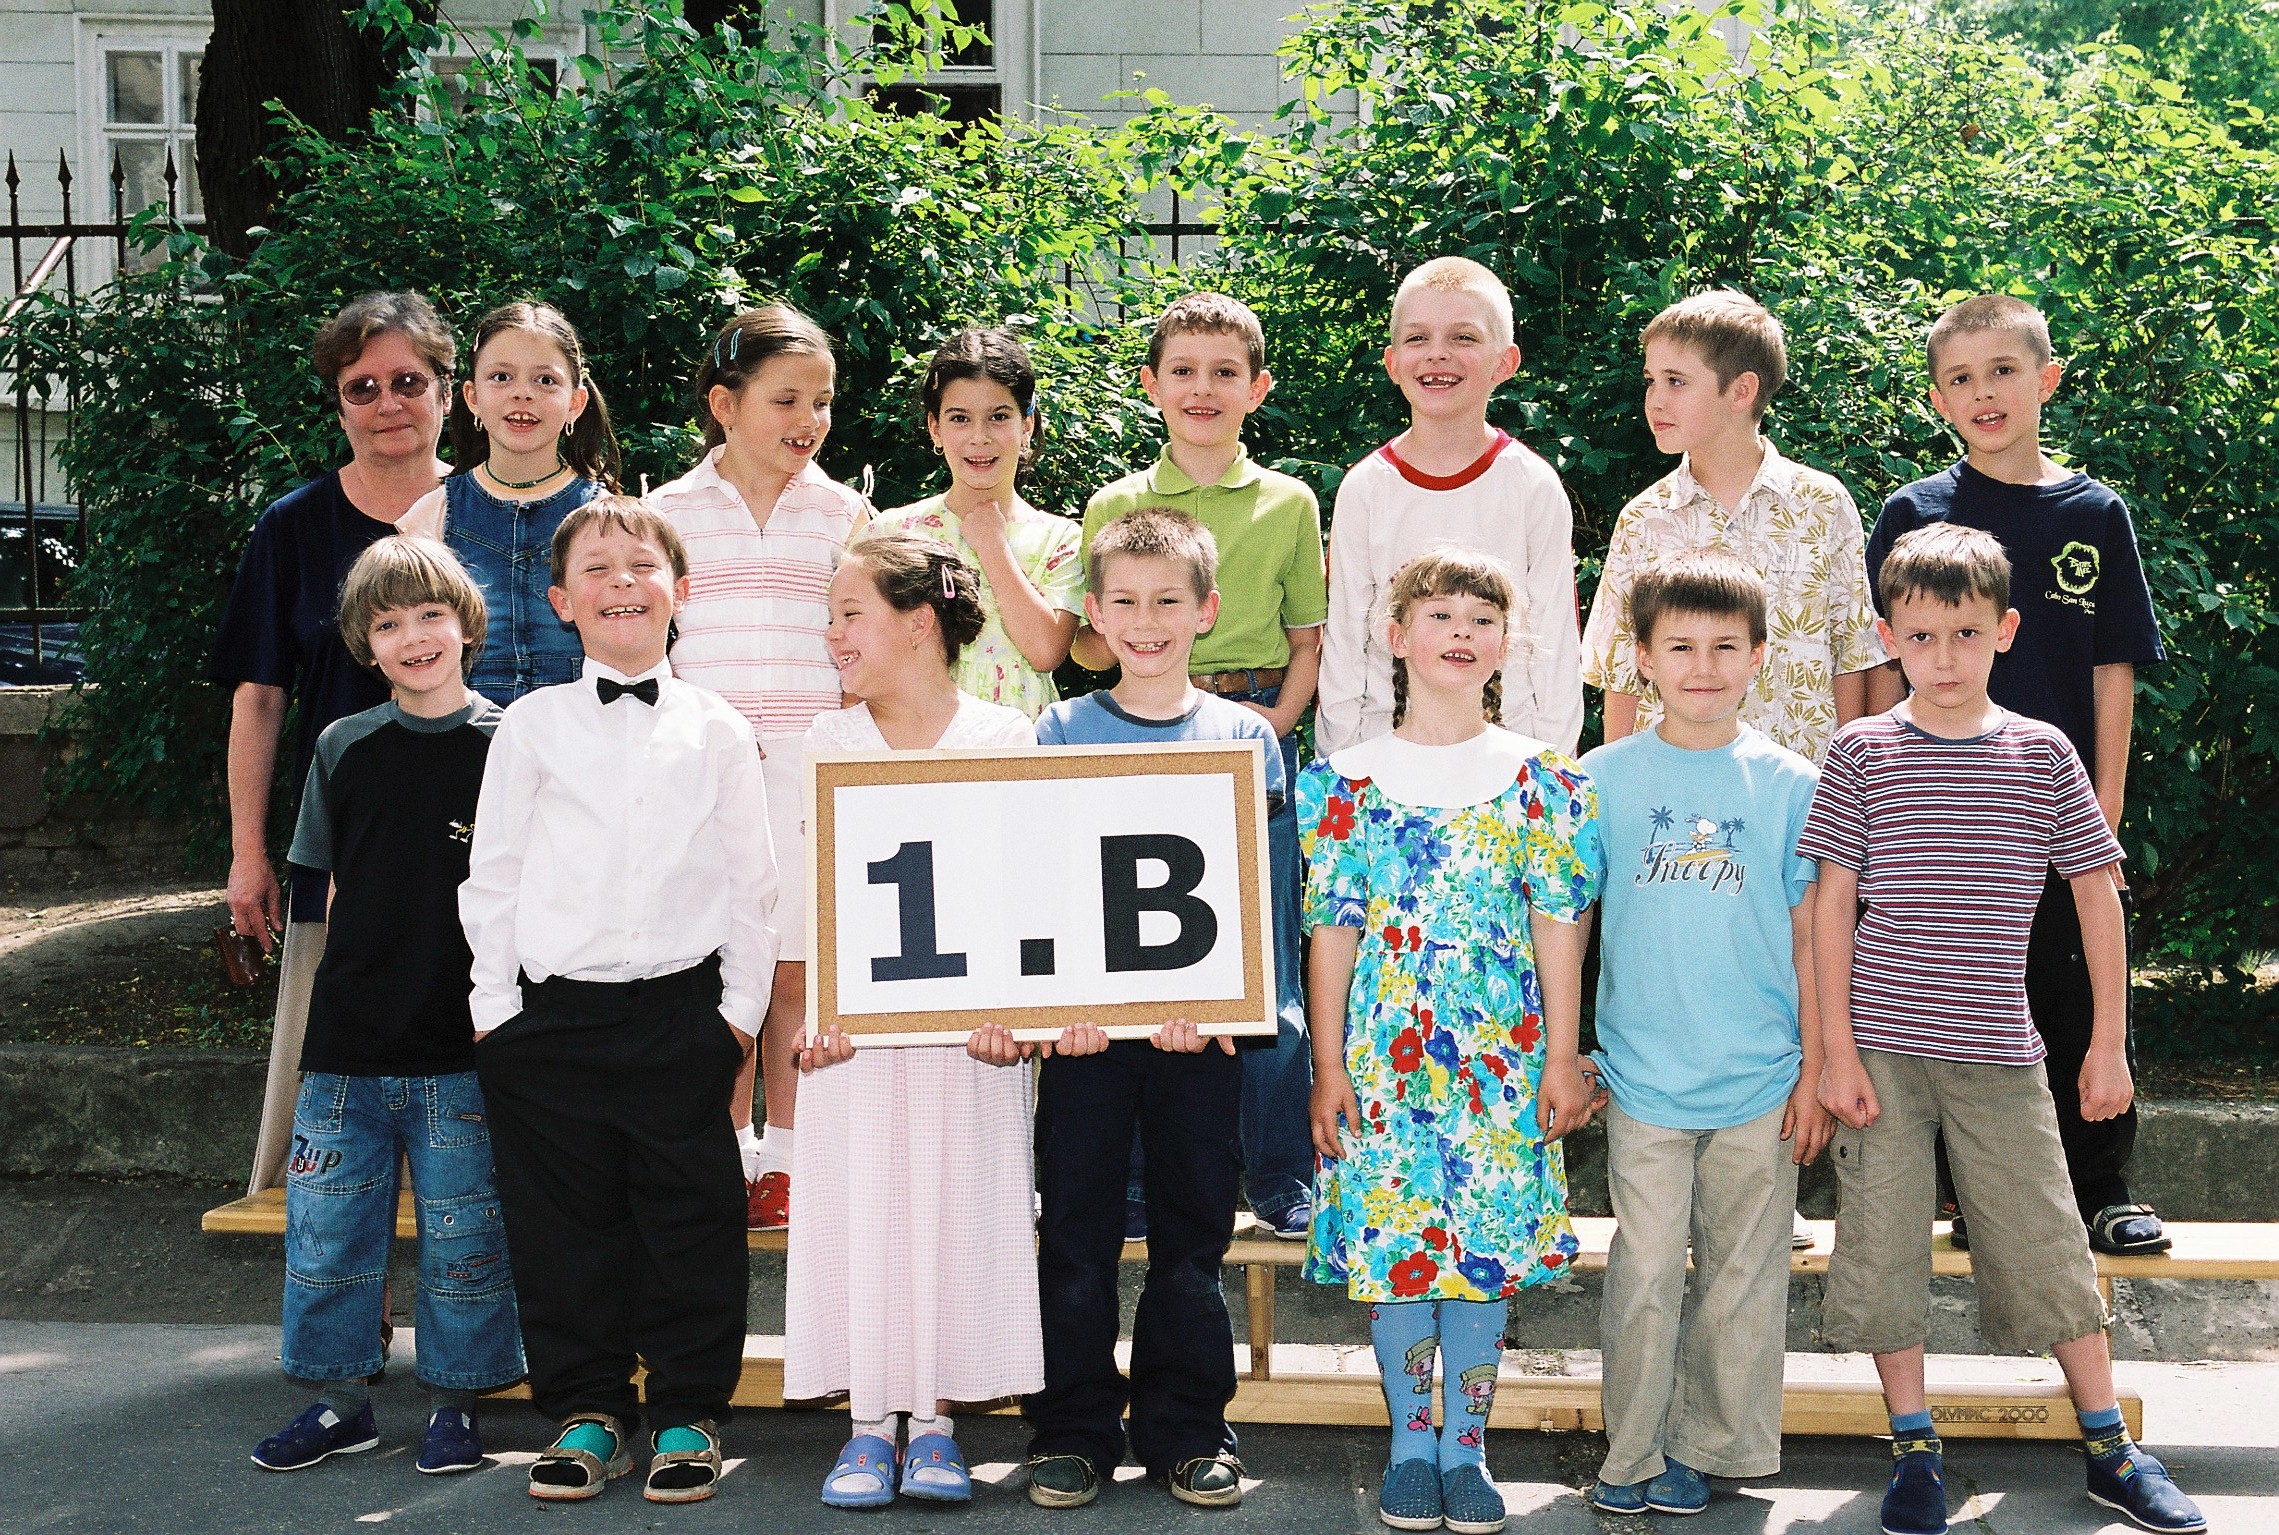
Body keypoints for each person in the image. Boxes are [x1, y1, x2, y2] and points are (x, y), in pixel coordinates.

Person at [1800, 524, 2204, 1535]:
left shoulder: (2041, 753)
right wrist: (1833, 1052)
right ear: (1888, 637)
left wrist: (2104, 1042)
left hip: (1999, 1049)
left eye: (1965, 634)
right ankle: (1913, 1447)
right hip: (1882, 1053)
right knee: (1882, 1249)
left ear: (2005, 631)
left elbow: (2096, 896)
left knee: (2046, 1243)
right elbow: (1829, 904)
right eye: (1920, 636)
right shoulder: (1859, 751)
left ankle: (2109, 1445)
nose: (1942, 657)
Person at [460, 497, 777, 1505]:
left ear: (680, 591)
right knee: (563, 1228)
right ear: (562, 602)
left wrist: (737, 1015)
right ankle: (587, 1408)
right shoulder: (531, 726)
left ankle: (689, 1408)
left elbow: (753, 884)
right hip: (548, 1021)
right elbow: (494, 873)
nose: (619, 582)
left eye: (640, 564)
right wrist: (495, 1010)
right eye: (594, 569)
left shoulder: (718, 728)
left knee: (692, 1222)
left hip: (682, 1014)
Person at [1863, 294, 2170, 1258]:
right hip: (1937, 818)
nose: (1983, 392)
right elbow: (1884, 662)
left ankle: (2102, 1182)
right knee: (1954, 998)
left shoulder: (2093, 513)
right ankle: (1968, 1192)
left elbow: (2112, 667)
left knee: (2074, 992)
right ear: (1937, 399)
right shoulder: (1915, 512)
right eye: (1960, 378)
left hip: (2052, 808)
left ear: (2045, 380)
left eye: (2002, 370)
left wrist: (2103, 807)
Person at [1301, 548, 1601, 1535]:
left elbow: (1558, 921)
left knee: (1482, 1248)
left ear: (1505, 644)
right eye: (1438, 614)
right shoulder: (1343, 781)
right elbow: (1331, 928)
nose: (1460, 631)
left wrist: (1562, 1054)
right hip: (1382, 1063)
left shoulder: (1541, 779)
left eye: (1481, 617)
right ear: (1396, 637)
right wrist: (1327, 1064)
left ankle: (1465, 1448)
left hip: (1499, 1060)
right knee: (1398, 1248)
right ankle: (1409, 1446)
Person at [1579, 286, 1885, 1253]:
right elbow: (1615, 674)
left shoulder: (1821, 505)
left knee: (1792, 972)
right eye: (1648, 381)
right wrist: (1612, 799)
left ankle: (1770, 1178)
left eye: (1675, 381)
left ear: (1742, 390)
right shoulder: (1643, 517)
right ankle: (1660, 1191)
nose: (1653, 400)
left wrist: (1856, 798)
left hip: (1790, 805)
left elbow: (1855, 660)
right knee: (1683, 971)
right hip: (1670, 811)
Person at [1022, 508, 1281, 1512]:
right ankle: (1071, 1428)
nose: (1145, 620)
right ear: (1093, 612)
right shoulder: (1059, 730)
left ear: (1205, 611)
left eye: (1167, 600)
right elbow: (1041, 879)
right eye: (1124, 601)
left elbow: (1259, 890)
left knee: (1190, 1238)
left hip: (1197, 1037)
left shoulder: (1244, 735)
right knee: (1074, 1236)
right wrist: (1056, 1008)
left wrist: (1228, 1007)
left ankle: (1187, 1427)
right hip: (1085, 1038)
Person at [250, 537, 524, 1478]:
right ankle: (340, 1400)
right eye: (388, 623)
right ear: (365, 645)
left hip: (465, 1046)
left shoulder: (512, 745)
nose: (413, 637)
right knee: (327, 1235)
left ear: (466, 624)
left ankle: (456, 1404)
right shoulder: (342, 746)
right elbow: (326, 895)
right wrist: (321, 1028)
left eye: (430, 615)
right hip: (347, 1051)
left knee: (466, 1237)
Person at [783, 527, 1045, 1510]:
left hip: (968, 1040)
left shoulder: (1004, 737)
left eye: (849, 613)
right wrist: (819, 1008)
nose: (833, 634)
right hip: (855, 1037)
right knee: (863, 1207)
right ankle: (865, 1424)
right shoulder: (830, 739)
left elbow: (1024, 894)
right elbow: (817, 891)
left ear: (919, 623)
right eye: (830, 617)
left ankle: (933, 1422)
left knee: (955, 1207)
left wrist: (1014, 1014)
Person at [1578, 550, 1829, 1517]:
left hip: (1760, 1074)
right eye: (1678, 646)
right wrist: (1565, 1050)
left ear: (1759, 655)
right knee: (1643, 1270)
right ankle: (1631, 1452)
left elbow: (1812, 936)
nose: (1703, 666)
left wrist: (1815, 1065)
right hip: (1640, 1073)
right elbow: (1566, 924)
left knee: (1741, 1278)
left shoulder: (1791, 783)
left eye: (1726, 646)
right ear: (1641, 658)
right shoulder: (1599, 779)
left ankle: (1710, 1446)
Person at [1072, 292, 1323, 1245]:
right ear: (1151, 384)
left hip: (1250, 735)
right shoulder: (1116, 504)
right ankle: (1139, 1177)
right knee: (1134, 957)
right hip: (1134, 735)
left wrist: (1271, 728)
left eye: (1224, 372)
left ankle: (1280, 1173)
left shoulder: (1288, 501)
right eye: (1182, 370)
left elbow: (1307, 641)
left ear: (1257, 387)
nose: (1202, 388)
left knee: (1265, 968)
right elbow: (1090, 642)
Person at [213, 290, 457, 1195]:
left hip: (480, 849)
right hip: (344, 852)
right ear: (339, 404)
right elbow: (258, 699)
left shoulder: (491, 515)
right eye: (363, 387)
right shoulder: (293, 528)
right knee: (334, 1097)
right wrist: (248, 853)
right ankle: (337, 1246)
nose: (389, 403)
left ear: (448, 392)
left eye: (409, 381)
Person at [650, 304, 871, 1233]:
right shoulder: (665, 512)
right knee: (720, 976)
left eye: (822, 400)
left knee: (792, 978)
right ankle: (721, 1150)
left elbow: (861, 644)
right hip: (704, 783)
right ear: (724, 405)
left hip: (809, 778)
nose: (808, 419)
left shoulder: (846, 513)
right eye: (786, 399)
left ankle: (785, 1160)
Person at [1316, 257, 1583, 757]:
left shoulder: (1532, 486)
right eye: (1417, 338)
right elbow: (1345, 640)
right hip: (1385, 752)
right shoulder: (1366, 488)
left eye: (1463, 337)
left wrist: (1549, 763)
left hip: (1510, 757)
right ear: (1393, 363)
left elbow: (1556, 644)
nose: (1437, 354)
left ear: (1504, 363)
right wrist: (1345, 761)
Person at [400, 300, 618, 703]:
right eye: (501, 377)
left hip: (581, 729)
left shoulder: (607, 518)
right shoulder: (430, 518)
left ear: (575, 403)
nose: (522, 394)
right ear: (472, 397)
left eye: (545, 380)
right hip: (466, 734)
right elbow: (408, 655)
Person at [870, 327, 1084, 717]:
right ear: (935, 428)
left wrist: (993, 546)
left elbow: (1046, 651)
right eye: (960, 419)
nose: (979, 437)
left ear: (1026, 425)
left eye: (998, 417)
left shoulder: (1060, 539)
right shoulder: (894, 534)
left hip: (1023, 738)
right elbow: (867, 652)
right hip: (920, 736)